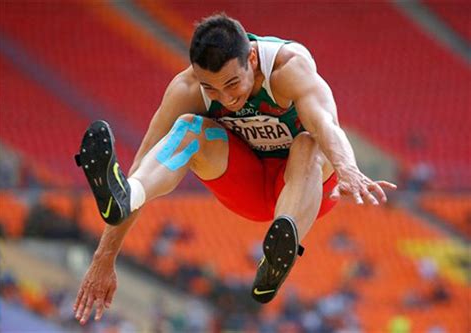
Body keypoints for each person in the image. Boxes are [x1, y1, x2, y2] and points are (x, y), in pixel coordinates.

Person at [73, 13, 397, 324]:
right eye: (211, 89)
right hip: (248, 186)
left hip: (306, 188)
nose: (226, 99)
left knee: (308, 142)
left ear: (252, 59)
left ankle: (279, 252)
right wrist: (105, 257)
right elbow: (145, 159)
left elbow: (325, 123)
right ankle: (130, 198)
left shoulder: (288, 69)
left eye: (232, 83)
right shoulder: (187, 88)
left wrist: (348, 167)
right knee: (188, 126)